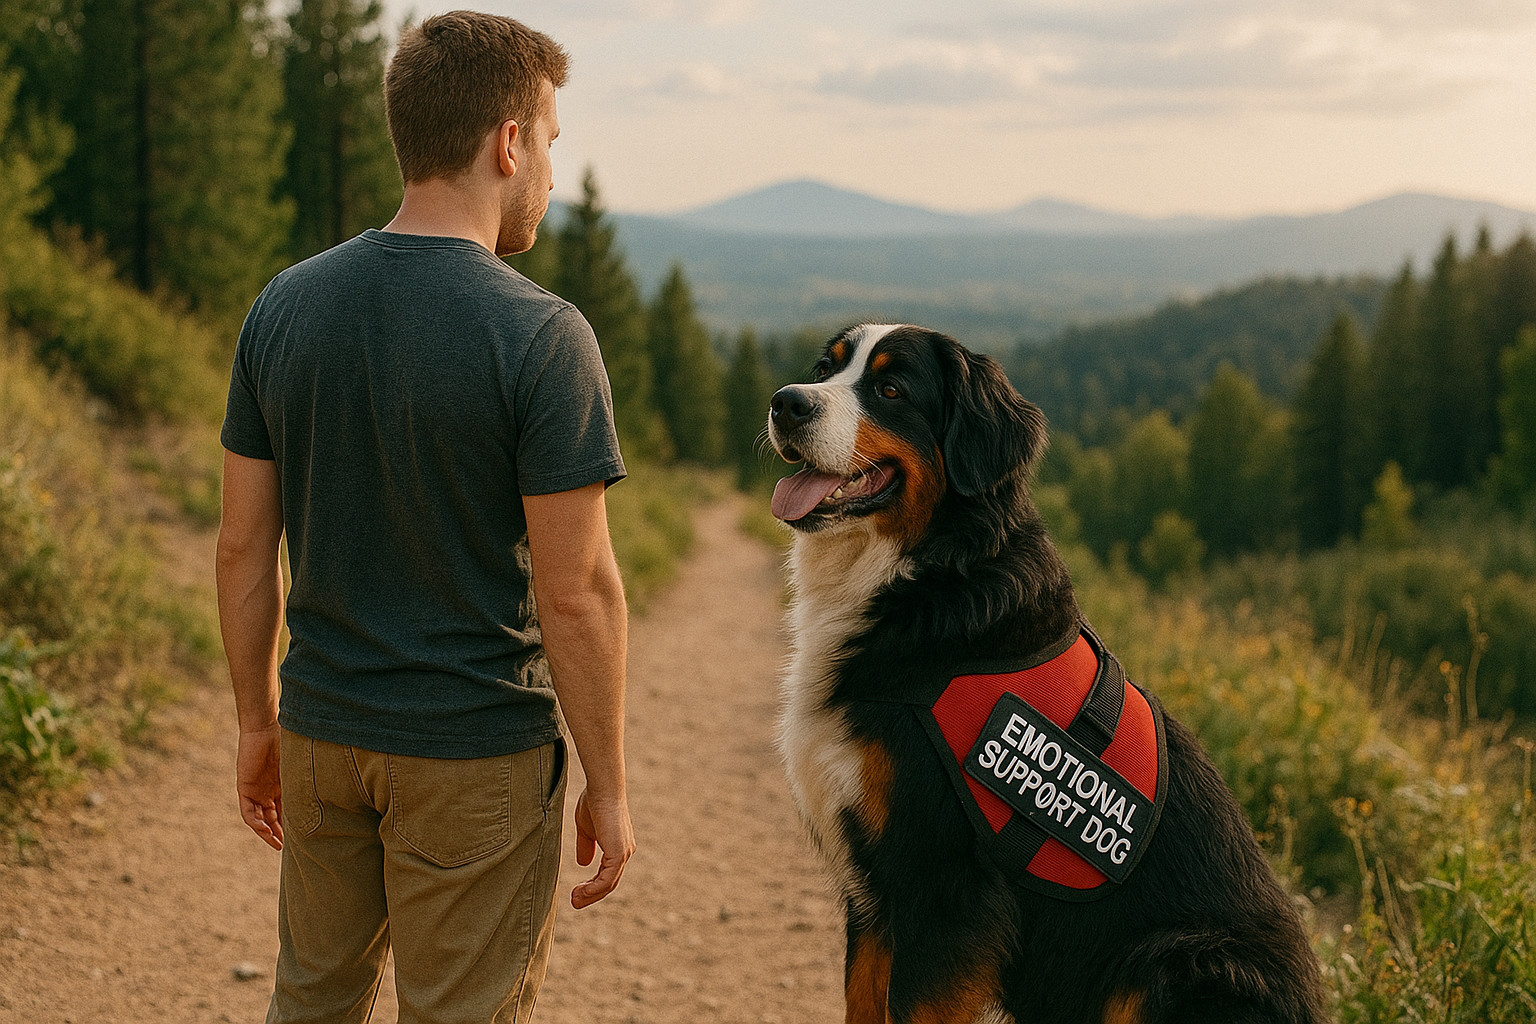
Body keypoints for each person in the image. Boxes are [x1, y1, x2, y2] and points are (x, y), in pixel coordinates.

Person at [215, 11, 634, 1023]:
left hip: (322, 733)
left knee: (311, 1000)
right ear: (507, 141)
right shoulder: (543, 336)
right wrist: (609, 785)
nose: (546, 166)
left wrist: (254, 723)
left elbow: (241, 546)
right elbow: (576, 595)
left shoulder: (284, 306)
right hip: (477, 753)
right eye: (549, 138)